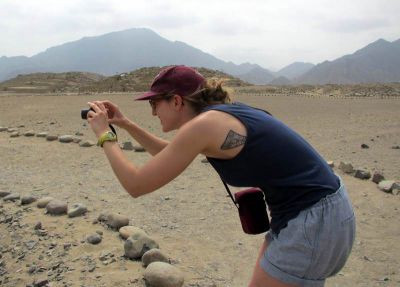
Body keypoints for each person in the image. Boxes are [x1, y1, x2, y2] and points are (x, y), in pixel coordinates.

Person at [86, 65, 355, 287]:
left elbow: (136, 184)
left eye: (155, 103)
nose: (154, 112)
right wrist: (125, 124)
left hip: (313, 220)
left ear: (177, 100)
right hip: (319, 214)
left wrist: (104, 135)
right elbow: (169, 153)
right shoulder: (216, 120)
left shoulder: (205, 126)